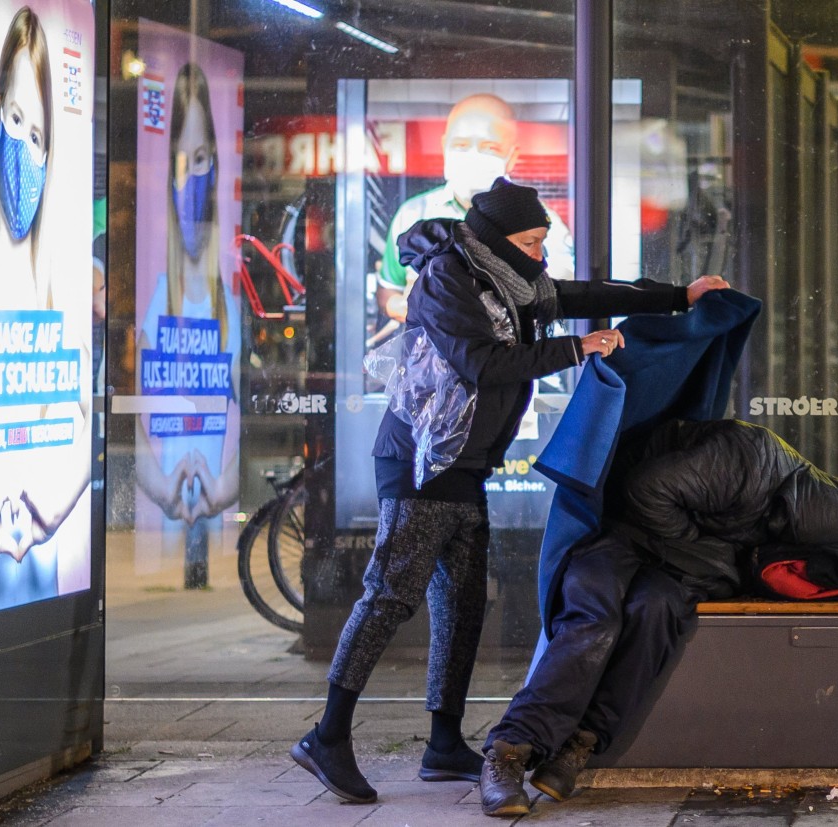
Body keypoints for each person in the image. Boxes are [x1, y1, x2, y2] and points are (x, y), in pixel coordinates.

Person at [289, 176, 729, 804]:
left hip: (466, 463)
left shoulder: (515, 281)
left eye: (543, 241)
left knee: (463, 607)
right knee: (391, 595)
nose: (542, 254)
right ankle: (326, 737)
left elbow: (581, 292)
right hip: (421, 462)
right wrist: (577, 348)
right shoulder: (449, 278)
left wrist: (679, 297)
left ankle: (443, 745)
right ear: (499, 239)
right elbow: (481, 364)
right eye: (532, 241)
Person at [479, 417, 838, 816]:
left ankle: (580, 742)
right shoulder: (745, 462)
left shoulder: (792, 510)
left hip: (673, 556)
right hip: (624, 527)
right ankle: (510, 751)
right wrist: (692, 546)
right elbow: (646, 490)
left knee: (656, 612)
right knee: (594, 617)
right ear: (790, 504)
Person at [0, 6, 92, 618]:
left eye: (38, 137)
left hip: (47, 572)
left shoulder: (59, 290)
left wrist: (48, 508)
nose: (25, 150)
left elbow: (90, 421)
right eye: (14, 120)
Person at [134, 62, 242, 589]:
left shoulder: (228, 298)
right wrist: (157, 483)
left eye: (201, 160)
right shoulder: (155, 291)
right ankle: (189, 567)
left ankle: (196, 567)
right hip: (165, 496)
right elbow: (133, 404)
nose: (192, 178)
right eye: (181, 162)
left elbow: (243, 403)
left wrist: (225, 483)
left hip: (208, 485)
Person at [376, 93, 574, 327]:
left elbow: (559, 297)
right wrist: (403, 307)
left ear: (512, 157)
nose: (472, 156)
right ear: (444, 146)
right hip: (430, 358)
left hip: (511, 358)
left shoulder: (541, 224)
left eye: (489, 148)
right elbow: (388, 289)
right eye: (460, 145)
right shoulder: (413, 216)